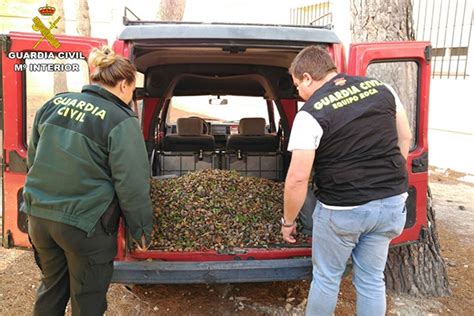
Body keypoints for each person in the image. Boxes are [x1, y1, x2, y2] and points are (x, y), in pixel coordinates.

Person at [22, 46, 154, 316]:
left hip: (40, 219)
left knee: (51, 288)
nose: (131, 97)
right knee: (87, 299)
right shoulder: (120, 119)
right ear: (122, 84)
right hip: (84, 226)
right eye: (132, 90)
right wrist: (140, 230)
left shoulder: (53, 104)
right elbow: (132, 184)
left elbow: (33, 161)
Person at [281, 46, 412, 315]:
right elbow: (405, 138)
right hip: (390, 205)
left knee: (327, 279)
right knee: (372, 280)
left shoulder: (311, 112)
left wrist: (288, 221)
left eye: (297, 86)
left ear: (307, 77)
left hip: (342, 210)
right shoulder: (382, 88)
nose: (299, 93)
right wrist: (386, 179)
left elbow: (297, 179)